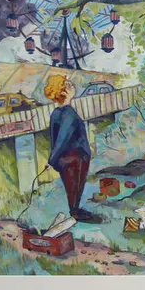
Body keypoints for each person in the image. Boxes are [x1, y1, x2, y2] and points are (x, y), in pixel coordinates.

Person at [44, 74, 102, 223]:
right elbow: (62, 138)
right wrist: (52, 160)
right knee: (75, 186)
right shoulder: (69, 113)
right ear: (64, 91)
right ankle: (75, 212)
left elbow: (54, 138)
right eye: (70, 85)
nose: (73, 87)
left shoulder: (56, 113)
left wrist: (54, 159)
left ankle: (75, 209)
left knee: (71, 187)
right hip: (75, 157)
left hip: (65, 159)